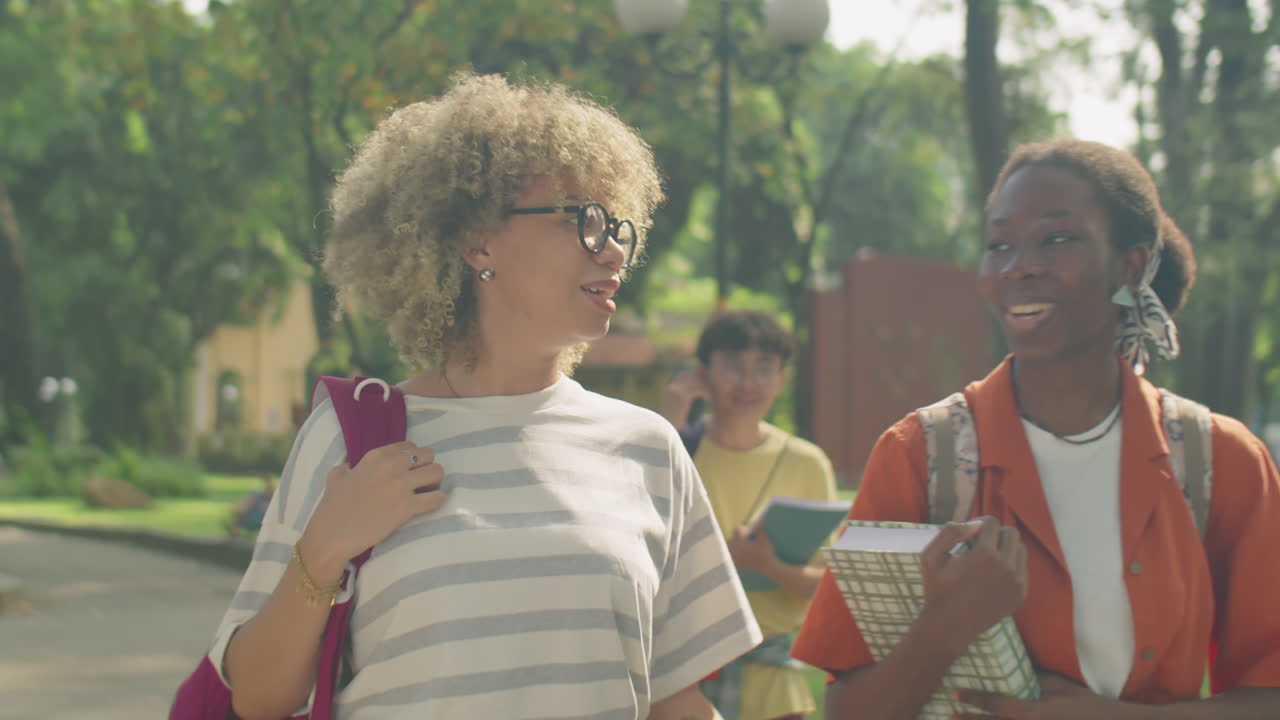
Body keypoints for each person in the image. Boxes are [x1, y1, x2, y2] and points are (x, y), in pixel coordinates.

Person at [206, 73, 762, 720]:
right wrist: (325, 548)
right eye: (582, 218)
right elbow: (258, 697)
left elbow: (676, 701)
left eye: (618, 225)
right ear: (476, 241)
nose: (612, 249)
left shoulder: (649, 448)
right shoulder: (352, 438)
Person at [793, 139, 1280, 719]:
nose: (1017, 265)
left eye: (1057, 238)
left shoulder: (1217, 461)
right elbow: (846, 713)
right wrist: (946, 627)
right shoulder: (920, 455)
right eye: (998, 245)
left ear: (1128, 265)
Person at [662, 311, 838, 720]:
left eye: (763, 369)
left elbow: (829, 584)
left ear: (782, 379)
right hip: (685, 679)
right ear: (703, 373)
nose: (747, 383)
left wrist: (768, 565)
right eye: (733, 367)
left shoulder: (808, 464)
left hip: (777, 684)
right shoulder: (676, 449)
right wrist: (671, 415)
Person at [225, 473, 276, 539]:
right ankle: (234, 531)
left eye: (270, 485)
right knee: (240, 510)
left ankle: (234, 531)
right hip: (251, 519)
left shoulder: (274, 500)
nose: (269, 487)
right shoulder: (258, 495)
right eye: (268, 484)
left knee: (239, 511)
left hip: (258, 521)